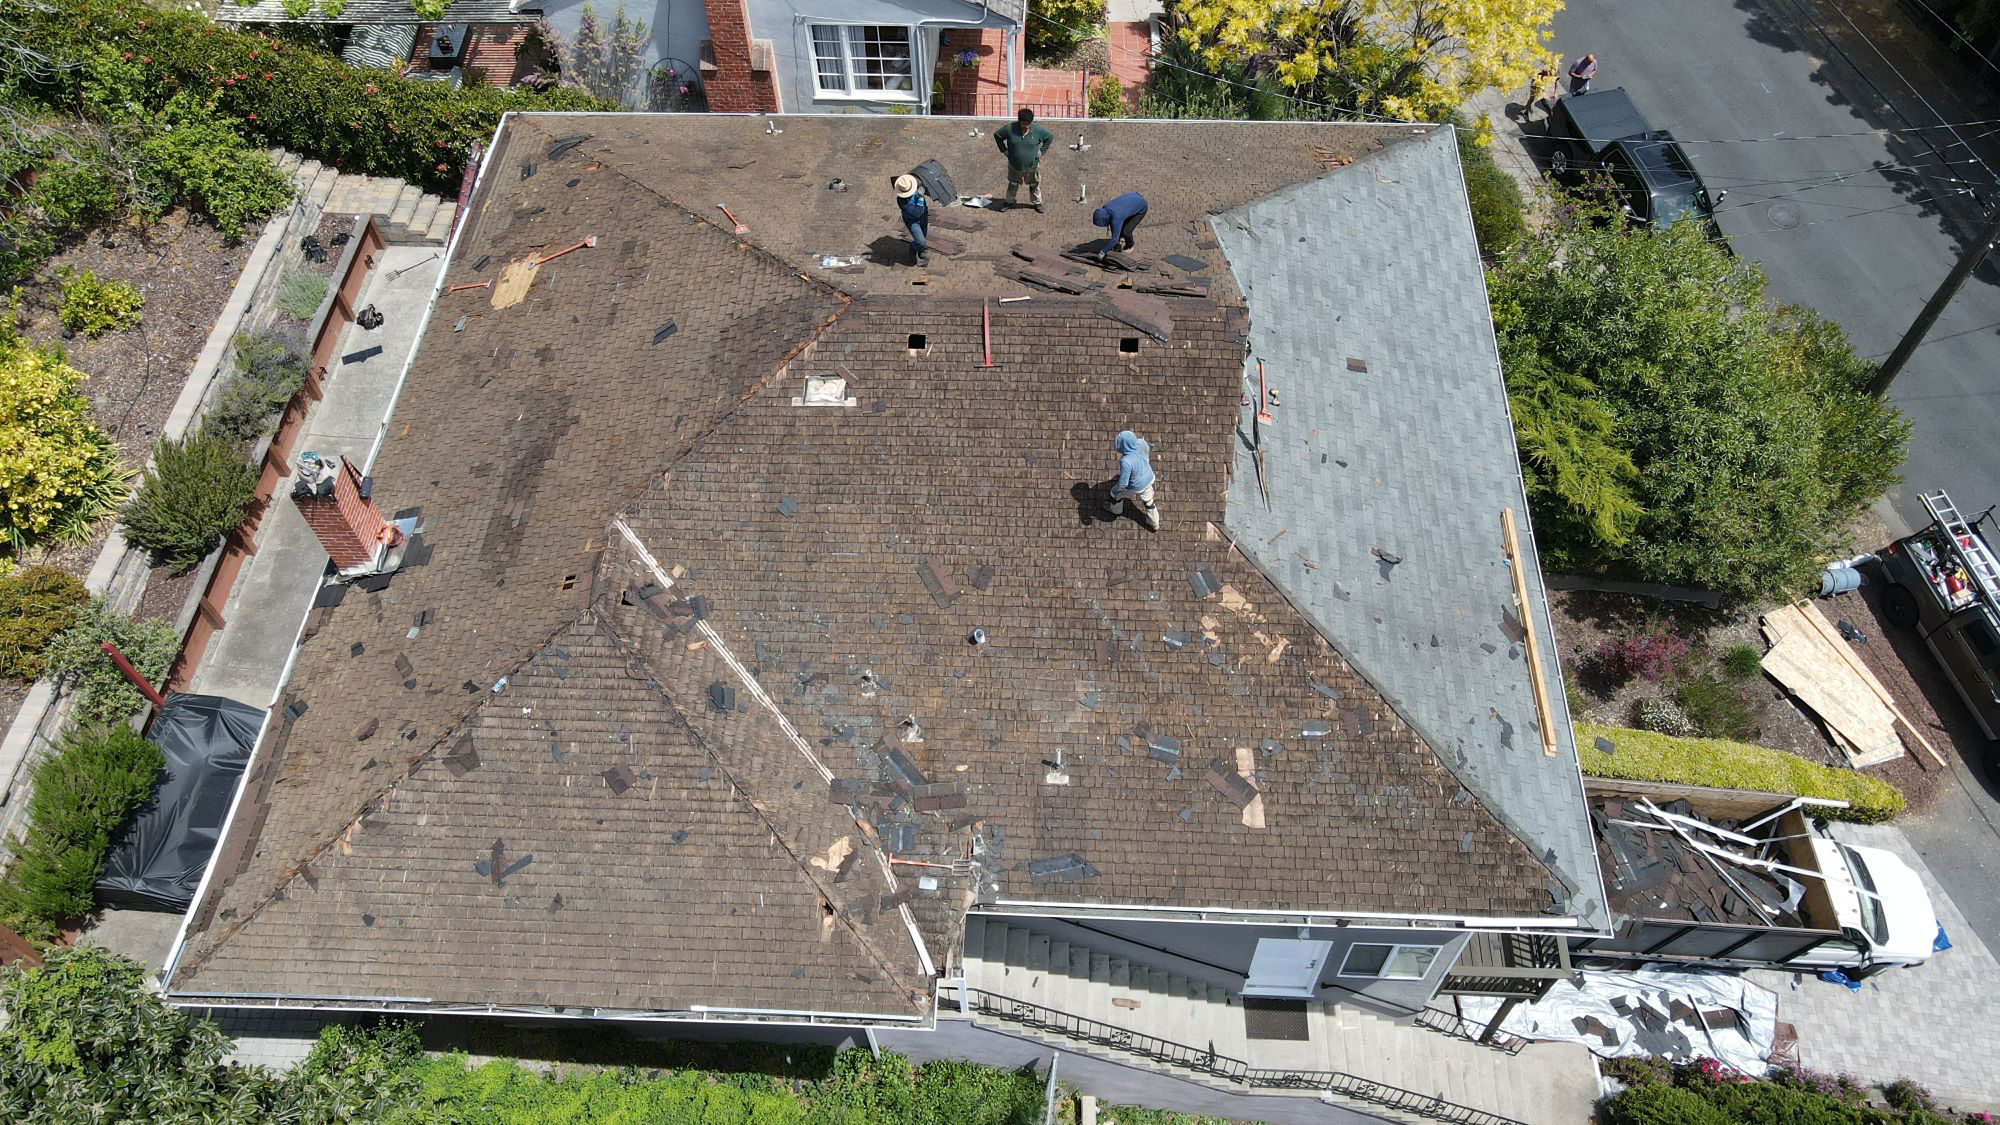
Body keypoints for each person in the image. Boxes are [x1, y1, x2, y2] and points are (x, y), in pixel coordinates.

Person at [995, 108, 1054, 212]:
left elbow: (1049, 137)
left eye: (1028, 124)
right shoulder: (1010, 129)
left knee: (1034, 185)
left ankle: (1037, 203)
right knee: (1013, 184)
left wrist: (1042, 151)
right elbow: (997, 135)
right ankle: (1009, 202)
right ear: (1019, 121)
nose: (1026, 127)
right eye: (1023, 124)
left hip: (1032, 167)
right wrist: (1004, 150)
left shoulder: (1037, 130)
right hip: (1014, 166)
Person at [1106, 429, 1159, 530]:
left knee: (1116, 496)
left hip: (1135, 486)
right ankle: (1155, 523)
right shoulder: (1140, 443)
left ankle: (1115, 510)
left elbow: (1123, 483)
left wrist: (1114, 491)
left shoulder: (1126, 461)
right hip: (1148, 478)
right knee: (1149, 502)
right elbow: (1148, 447)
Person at [1092, 192, 1148, 258]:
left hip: (1141, 207)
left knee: (1126, 231)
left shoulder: (1116, 217)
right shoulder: (1105, 208)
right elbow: (1113, 225)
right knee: (1120, 227)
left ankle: (1130, 245)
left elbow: (1114, 238)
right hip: (1133, 198)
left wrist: (1103, 252)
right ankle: (1120, 241)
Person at [894, 173, 929, 266]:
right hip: (912, 221)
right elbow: (917, 213)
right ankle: (913, 249)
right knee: (921, 241)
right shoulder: (901, 201)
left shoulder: (917, 187)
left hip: (923, 218)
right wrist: (921, 198)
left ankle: (918, 249)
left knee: (922, 239)